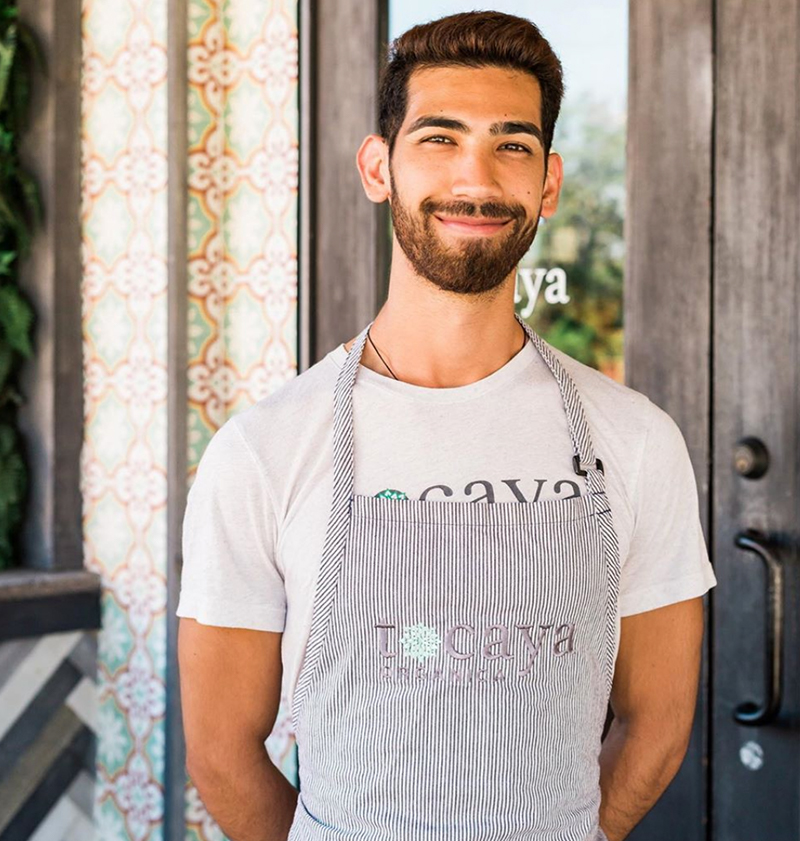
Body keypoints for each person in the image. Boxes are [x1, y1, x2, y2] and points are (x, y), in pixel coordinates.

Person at [177, 10, 717, 841]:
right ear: (376, 167)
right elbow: (219, 748)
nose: (477, 176)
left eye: (513, 143)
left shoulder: (637, 442)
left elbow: (657, 725)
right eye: (439, 137)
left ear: (549, 183)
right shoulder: (264, 449)